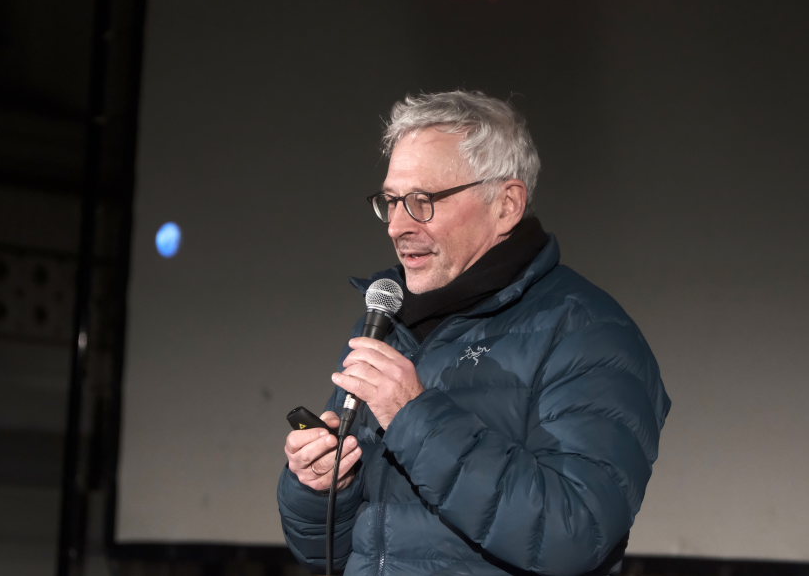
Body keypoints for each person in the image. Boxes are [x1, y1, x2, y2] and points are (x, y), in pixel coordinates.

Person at [277, 90, 670, 576]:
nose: (396, 226)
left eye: (422, 201)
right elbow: (327, 553)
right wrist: (322, 487)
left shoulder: (586, 332)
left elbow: (574, 534)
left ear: (506, 204)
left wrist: (414, 417)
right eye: (391, 202)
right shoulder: (385, 325)